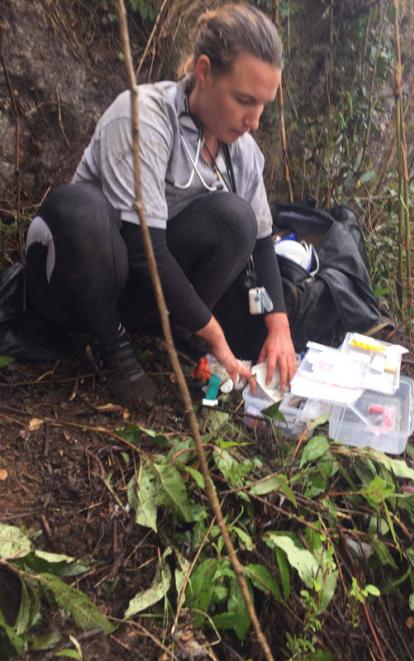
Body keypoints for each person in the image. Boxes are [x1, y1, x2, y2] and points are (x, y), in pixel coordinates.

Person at [24, 3, 297, 407]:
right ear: (204, 72)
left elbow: (259, 241)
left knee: (235, 219)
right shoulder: (143, 116)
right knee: (82, 209)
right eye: (244, 100)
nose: (254, 120)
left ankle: (166, 330)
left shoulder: (242, 151)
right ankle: (112, 345)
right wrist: (216, 335)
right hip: (75, 280)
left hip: (141, 293)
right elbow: (143, 248)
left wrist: (280, 329)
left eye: (263, 104)